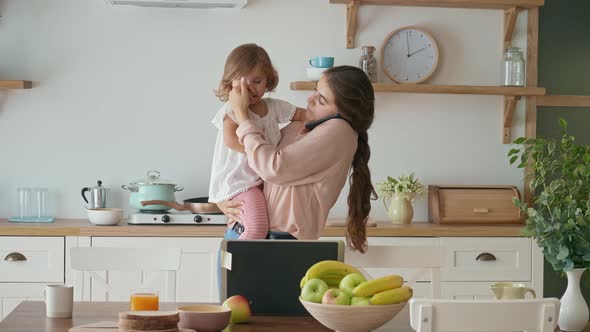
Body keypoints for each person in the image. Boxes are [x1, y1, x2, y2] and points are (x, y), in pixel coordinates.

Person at [220, 65, 376, 252]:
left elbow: (273, 167)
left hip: (277, 245)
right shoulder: (307, 126)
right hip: (243, 230)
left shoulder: (339, 131)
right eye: (315, 91)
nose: (309, 100)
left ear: (346, 113)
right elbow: (255, 159)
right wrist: (225, 197)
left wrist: (241, 113)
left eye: (321, 100)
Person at [208, 43, 306, 240]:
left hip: (263, 180)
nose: (249, 88)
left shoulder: (274, 107)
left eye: (257, 81)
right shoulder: (232, 110)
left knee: (263, 224)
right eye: (242, 83)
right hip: (240, 183)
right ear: (230, 84)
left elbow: (305, 115)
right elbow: (230, 140)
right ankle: (240, 263)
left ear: (268, 81)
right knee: (257, 228)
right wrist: (263, 152)